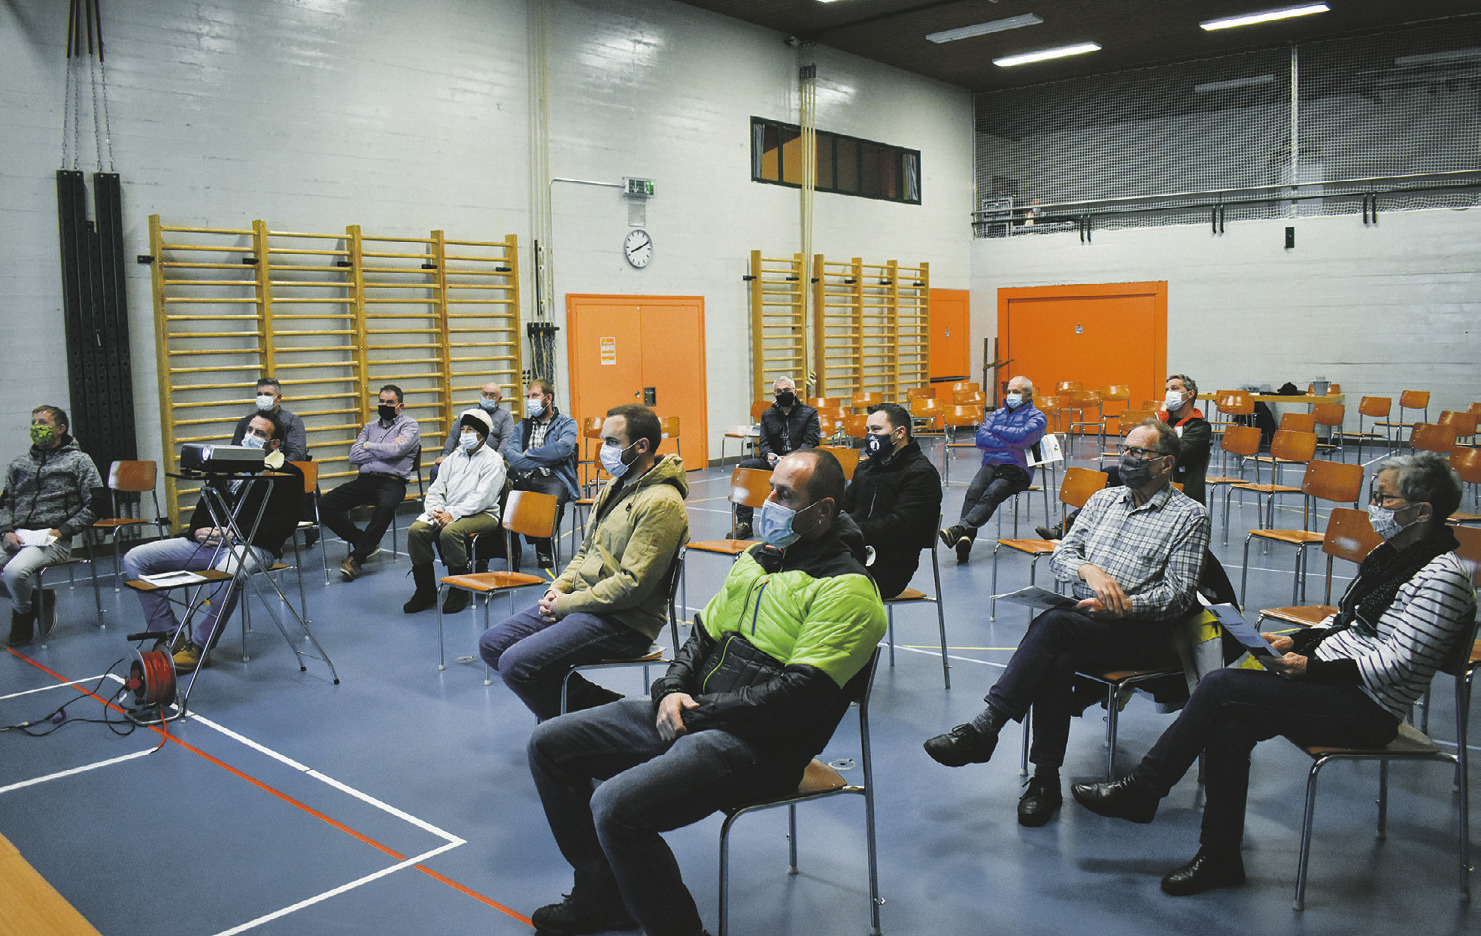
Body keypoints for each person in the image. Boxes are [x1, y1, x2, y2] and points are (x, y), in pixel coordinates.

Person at [1072, 451, 1477, 896]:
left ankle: (1144, 789)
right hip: (1333, 684)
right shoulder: (1391, 555)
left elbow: (1401, 660)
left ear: (1422, 511)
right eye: (1374, 496)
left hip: (1368, 706)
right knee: (1228, 721)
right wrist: (1297, 642)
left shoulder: (1441, 577)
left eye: (1385, 499)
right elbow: (1345, 620)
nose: (1375, 508)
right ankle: (1219, 857)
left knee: (1222, 686)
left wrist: (1315, 667)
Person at [523, 449, 885, 936]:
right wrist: (672, 689)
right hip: (695, 715)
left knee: (616, 807)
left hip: (762, 748)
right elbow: (702, 638)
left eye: (784, 495)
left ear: (822, 510)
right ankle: (602, 895)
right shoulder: (758, 560)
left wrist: (694, 713)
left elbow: (798, 698)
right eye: (770, 488)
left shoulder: (848, 591)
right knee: (549, 744)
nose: (768, 502)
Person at [924, 420, 1209, 828]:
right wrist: (1089, 570)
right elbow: (1061, 557)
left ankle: (986, 728)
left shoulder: (1189, 517)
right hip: (1086, 622)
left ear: (1165, 464)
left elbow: (1179, 595)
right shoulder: (1102, 502)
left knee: (1054, 627)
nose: (1126, 459)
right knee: (1056, 656)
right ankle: (1044, 780)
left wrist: (1124, 607)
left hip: (1143, 633)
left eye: (1137, 453)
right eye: (1124, 449)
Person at [480, 404, 689, 720]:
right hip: (583, 603)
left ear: (641, 446)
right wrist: (558, 589)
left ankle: (587, 729)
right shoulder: (614, 487)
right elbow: (585, 552)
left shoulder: (662, 503)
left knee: (517, 664)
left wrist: (566, 605)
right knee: (493, 644)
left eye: (612, 442)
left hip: (624, 621)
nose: (603, 450)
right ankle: (605, 713)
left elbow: (631, 586)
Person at [121, 412, 304, 671]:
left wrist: (235, 533)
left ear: (274, 444)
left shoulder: (289, 475)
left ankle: (199, 647)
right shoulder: (226, 467)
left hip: (253, 547)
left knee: (228, 571)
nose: (250, 436)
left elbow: (285, 523)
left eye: (259, 434)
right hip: (208, 544)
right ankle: (172, 636)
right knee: (135, 558)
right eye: (249, 430)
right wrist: (198, 532)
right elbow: (202, 511)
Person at [1, 405, 102, 647]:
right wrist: (6, 531)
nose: (36, 428)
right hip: (18, 535)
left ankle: (23, 613)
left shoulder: (79, 461)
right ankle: (39, 599)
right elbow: (6, 502)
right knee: (14, 574)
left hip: (53, 538)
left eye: (43, 423)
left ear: (60, 429)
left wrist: (63, 530)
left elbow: (98, 505)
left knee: (15, 573)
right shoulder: (19, 464)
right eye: (34, 423)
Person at [402, 408, 507, 615]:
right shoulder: (452, 459)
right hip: (447, 512)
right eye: (463, 429)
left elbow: (482, 497)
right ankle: (425, 591)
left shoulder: (493, 461)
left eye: (471, 430)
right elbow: (436, 489)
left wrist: (454, 514)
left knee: (450, 532)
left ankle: (459, 588)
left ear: (482, 434)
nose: (465, 433)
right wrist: (435, 511)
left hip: (483, 514)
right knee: (416, 531)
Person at [318, 385, 421, 582]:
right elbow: (354, 455)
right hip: (365, 480)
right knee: (324, 505)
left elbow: (398, 450)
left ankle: (356, 559)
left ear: (400, 406)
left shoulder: (409, 425)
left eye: (389, 402)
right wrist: (386, 450)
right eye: (381, 401)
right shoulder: (369, 427)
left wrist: (369, 446)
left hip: (393, 482)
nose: (384, 405)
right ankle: (363, 542)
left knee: (386, 507)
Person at [939, 375, 1045, 564]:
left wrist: (997, 432)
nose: (1011, 395)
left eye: (1016, 392)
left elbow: (1023, 438)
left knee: (991, 494)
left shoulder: (1037, 417)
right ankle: (964, 537)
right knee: (973, 492)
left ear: (1028, 395)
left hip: (1017, 468)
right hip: (992, 462)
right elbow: (981, 438)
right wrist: (1009, 443)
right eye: (1009, 391)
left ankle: (960, 530)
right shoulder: (997, 414)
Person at [842, 401, 943, 599]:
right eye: (868, 429)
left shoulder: (921, 474)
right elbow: (845, 509)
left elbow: (898, 528)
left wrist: (846, 532)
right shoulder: (865, 468)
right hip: (851, 553)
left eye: (876, 429)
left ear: (899, 432)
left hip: (888, 568)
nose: (870, 435)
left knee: (817, 581)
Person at [730, 375, 820, 539]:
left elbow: (811, 442)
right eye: (779, 391)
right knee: (745, 468)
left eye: (786, 390)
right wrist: (769, 455)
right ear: (774, 394)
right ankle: (744, 523)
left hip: (799, 463)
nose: (783, 393)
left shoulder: (809, 413)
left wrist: (791, 458)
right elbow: (763, 443)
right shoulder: (768, 415)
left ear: (795, 391)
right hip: (774, 461)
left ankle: (794, 523)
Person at [506, 378, 579, 570]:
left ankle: (544, 548)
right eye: (528, 396)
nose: (530, 400)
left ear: (548, 398)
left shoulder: (567, 423)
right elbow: (512, 455)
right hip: (525, 475)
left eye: (535, 396)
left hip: (554, 476)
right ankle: (513, 551)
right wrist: (546, 456)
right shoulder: (521, 426)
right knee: (505, 498)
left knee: (553, 500)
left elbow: (563, 450)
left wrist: (529, 453)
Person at [433, 381, 514, 478]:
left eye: (492, 395)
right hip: (464, 457)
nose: (487, 398)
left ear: (499, 399)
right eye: (485, 394)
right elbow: (453, 435)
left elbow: (506, 439)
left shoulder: (505, 416)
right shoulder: (467, 413)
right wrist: (445, 455)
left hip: (489, 459)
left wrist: (497, 458)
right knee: (436, 469)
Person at [1159, 373, 1211, 505]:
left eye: (1174, 388)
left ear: (1190, 394)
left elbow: (1178, 454)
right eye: (1167, 390)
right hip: (1155, 484)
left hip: (1185, 493)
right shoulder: (1160, 420)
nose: (1169, 393)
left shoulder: (1200, 427)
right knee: (1112, 473)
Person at [230, 376, 308, 461]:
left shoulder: (292, 420)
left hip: (279, 469)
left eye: (267, 394)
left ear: (278, 398)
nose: (262, 397)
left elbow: (297, 454)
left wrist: (273, 469)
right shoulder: (246, 421)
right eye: (259, 394)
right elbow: (235, 451)